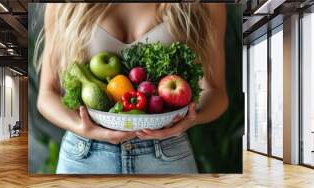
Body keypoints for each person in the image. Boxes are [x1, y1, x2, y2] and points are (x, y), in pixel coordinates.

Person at [36, 3, 228, 174]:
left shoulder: (204, 5)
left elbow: (216, 92)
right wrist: (81, 127)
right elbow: (47, 94)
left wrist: (192, 119)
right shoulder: (64, 5)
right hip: (85, 153)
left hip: (166, 152)